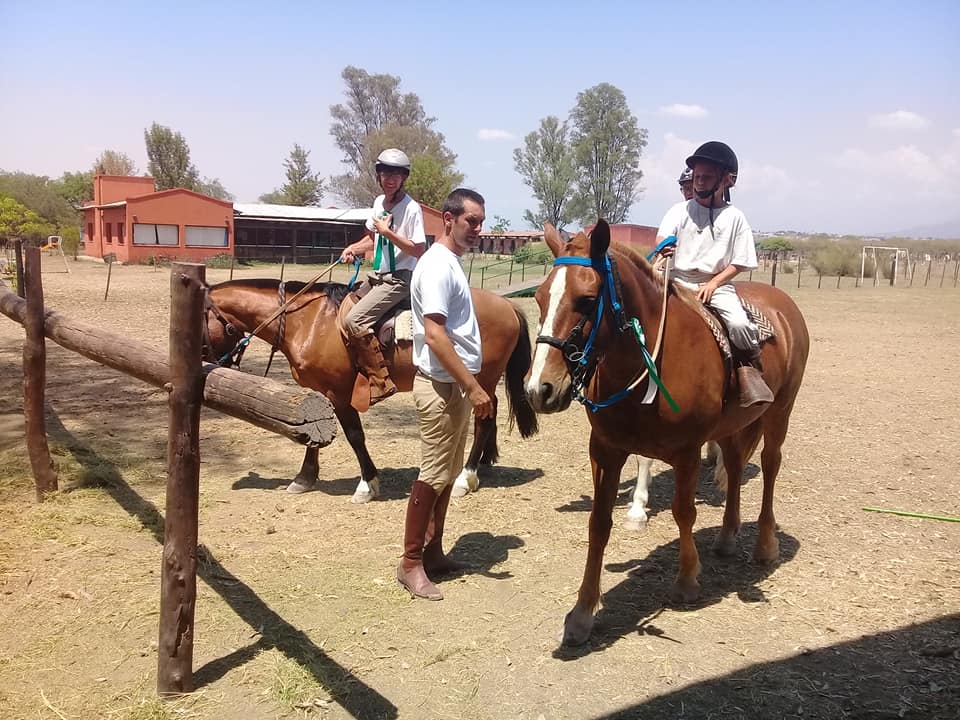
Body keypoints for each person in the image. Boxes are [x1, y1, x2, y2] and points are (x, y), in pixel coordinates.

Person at [397, 188, 494, 601]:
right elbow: (434, 334)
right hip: (441, 386)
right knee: (433, 474)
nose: (477, 229)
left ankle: (433, 551)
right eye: (472, 221)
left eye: (481, 223)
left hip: (453, 385)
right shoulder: (437, 266)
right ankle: (410, 562)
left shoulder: (450, 263)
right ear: (448, 219)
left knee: (449, 473)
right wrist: (472, 386)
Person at [656, 141, 773, 407]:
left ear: (726, 180)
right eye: (697, 177)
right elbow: (663, 238)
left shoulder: (735, 218)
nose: (699, 182)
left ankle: (748, 372)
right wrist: (663, 248)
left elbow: (740, 262)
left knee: (740, 324)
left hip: (716, 284)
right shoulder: (678, 211)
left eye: (706, 177)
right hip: (675, 278)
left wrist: (714, 283)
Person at [339, 148, 426, 406]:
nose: (390, 178)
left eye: (396, 174)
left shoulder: (411, 209)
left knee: (355, 321)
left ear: (403, 178)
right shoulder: (378, 202)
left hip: (400, 278)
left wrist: (387, 232)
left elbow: (418, 248)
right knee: (342, 309)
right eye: (385, 173)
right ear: (379, 175)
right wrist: (353, 249)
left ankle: (380, 382)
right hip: (378, 275)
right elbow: (371, 237)